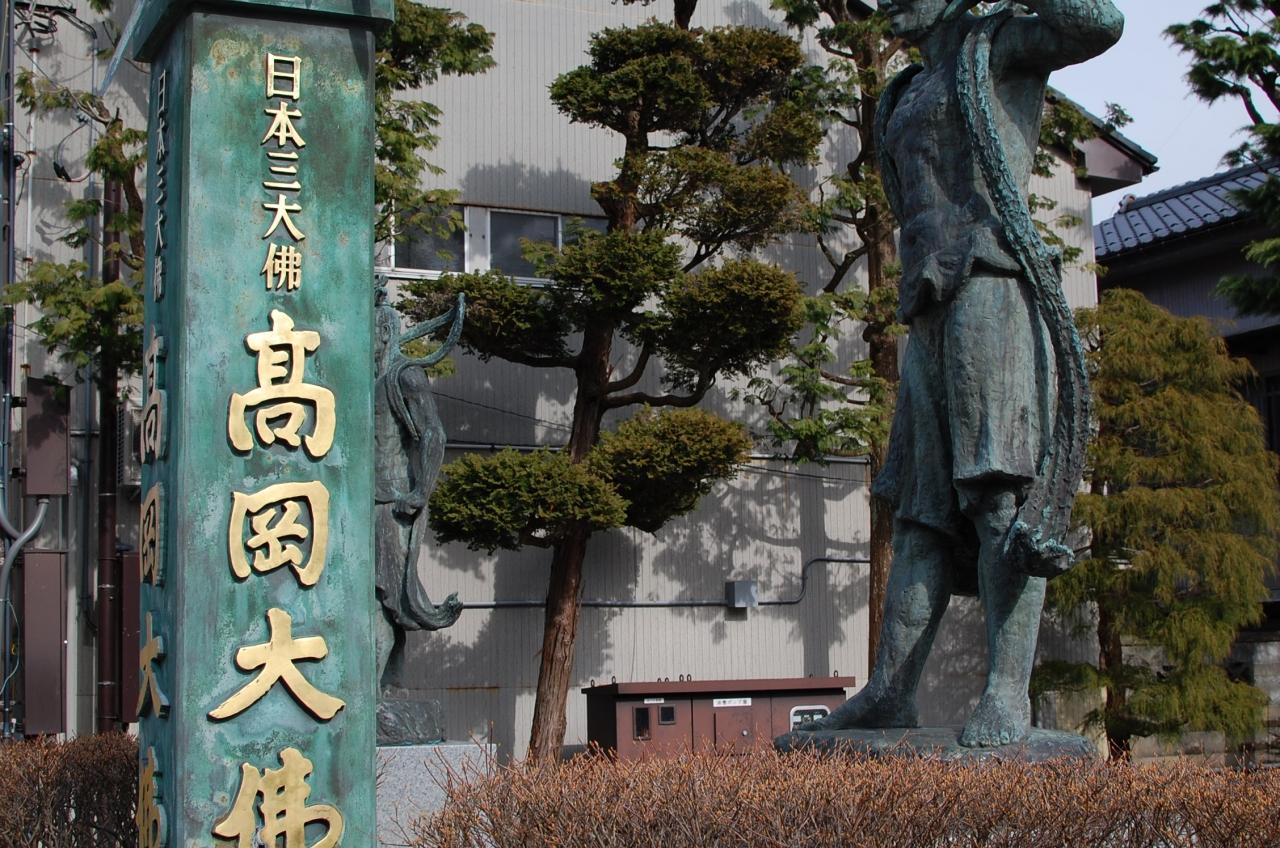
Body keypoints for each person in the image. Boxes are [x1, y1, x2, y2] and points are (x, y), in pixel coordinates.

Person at [798, 0, 1122, 747]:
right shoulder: (904, 89)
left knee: (995, 493)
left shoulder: (1001, 47)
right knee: (920, 513)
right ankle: (891, 690)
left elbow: (1098, 23)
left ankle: (1007, 692)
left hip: (993, 288)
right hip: (928, 303)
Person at [373, 281, 466, 690]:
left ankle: (377, 688)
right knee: (381, 598)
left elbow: (433, 434)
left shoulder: (404, 376)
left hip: (393, 502)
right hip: (365, 503)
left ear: (384, 330)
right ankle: (387, 686)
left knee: (385, 596)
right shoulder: (366, 381)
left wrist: (420, 492)